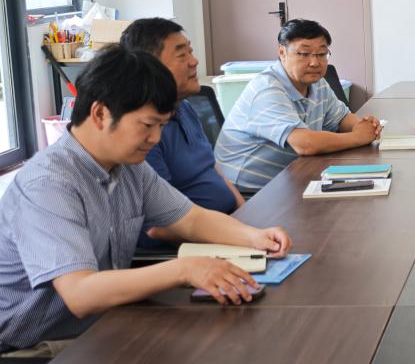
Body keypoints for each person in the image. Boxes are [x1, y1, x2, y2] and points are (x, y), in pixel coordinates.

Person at [0, 46, 292, 356]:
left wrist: (255, 237)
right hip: (35, 346)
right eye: (148, 125)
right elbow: (80, 293)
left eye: (162, 126)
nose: (155, 138)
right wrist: (183, 269)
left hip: (103, 322)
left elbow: (191, 219)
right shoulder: (49, 184)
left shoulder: (129, 167)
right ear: (100, 114)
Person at [120, 18, 244, 248]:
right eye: (181, 55)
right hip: (191, 247)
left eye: (191, 51)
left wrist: (245, 213)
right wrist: (237, 234)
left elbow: (213, 169)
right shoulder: (143, 132)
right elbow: (160, 227)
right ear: (151, 66)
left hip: (227, 228)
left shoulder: (184, 106)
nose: (194, 61)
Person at [215, 19, 381, 190]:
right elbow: (305, 144)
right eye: (304, 54)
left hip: (291, 178)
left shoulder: (317, 83)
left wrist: (363, 126)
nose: (315, 63)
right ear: (282, 53)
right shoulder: (267, 89)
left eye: (321, 54)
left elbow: (342, 119)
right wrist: (358, 137)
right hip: (248, 192)